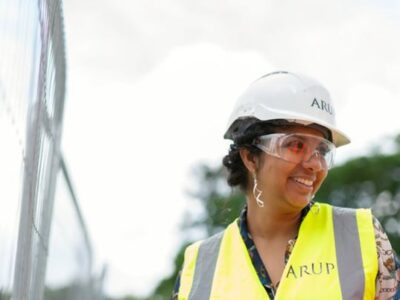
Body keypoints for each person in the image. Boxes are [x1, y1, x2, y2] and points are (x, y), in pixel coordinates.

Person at [172, 71, 400, 299]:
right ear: (250, 157)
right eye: (295, 145)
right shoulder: (199, 269)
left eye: (322, 150)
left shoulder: (362, 237)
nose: (315, 164)